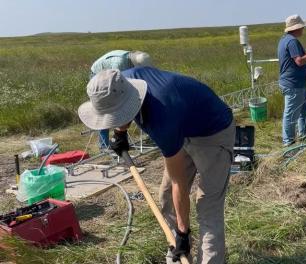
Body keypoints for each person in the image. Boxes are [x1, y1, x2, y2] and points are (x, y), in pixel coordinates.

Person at [78, 67, 234, 264]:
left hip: (213, 131)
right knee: (166, 195)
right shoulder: (119, 83)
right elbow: (122, 109)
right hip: (184, 125)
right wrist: (120, 132)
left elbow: (180, 183)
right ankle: (177, 250)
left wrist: (183, 231)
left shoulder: (162, 118)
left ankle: (203, 255)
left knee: (207, 205)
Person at [89, 50, 152, 149]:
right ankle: (104, 146)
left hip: (112, 77)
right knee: (106, 109)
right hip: (99, 75)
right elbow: (116, 83)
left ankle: (123, 140)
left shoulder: (135, 59)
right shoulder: (120, 64)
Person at [277, 14, 306, 147]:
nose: (302, 29)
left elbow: (298, 59)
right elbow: (299, 61)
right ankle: (288, 144)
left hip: (296, 84)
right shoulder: (292, 42)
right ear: (296, 28)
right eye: (301, 27)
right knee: (290, 115)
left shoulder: (285, 40)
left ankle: (303, 137)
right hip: (293, 85)